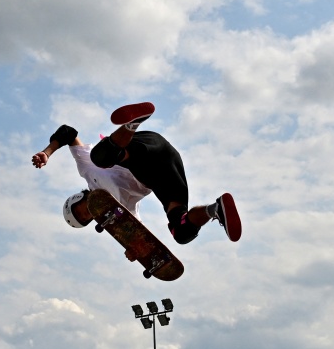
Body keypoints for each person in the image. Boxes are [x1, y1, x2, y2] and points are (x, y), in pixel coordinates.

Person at [32, 102, 241, 246]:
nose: (90, 213)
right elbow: (141, 239)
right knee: (181, 232)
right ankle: (215, 209)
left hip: (145, 148)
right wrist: (140, 253)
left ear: (78, 198)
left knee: (99, 157)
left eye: (82, 210)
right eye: (88, 218)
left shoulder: (86, 171)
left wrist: (46, 152)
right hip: (165, 173)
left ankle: (132, 123)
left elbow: (68, 132)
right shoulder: (122, 216)